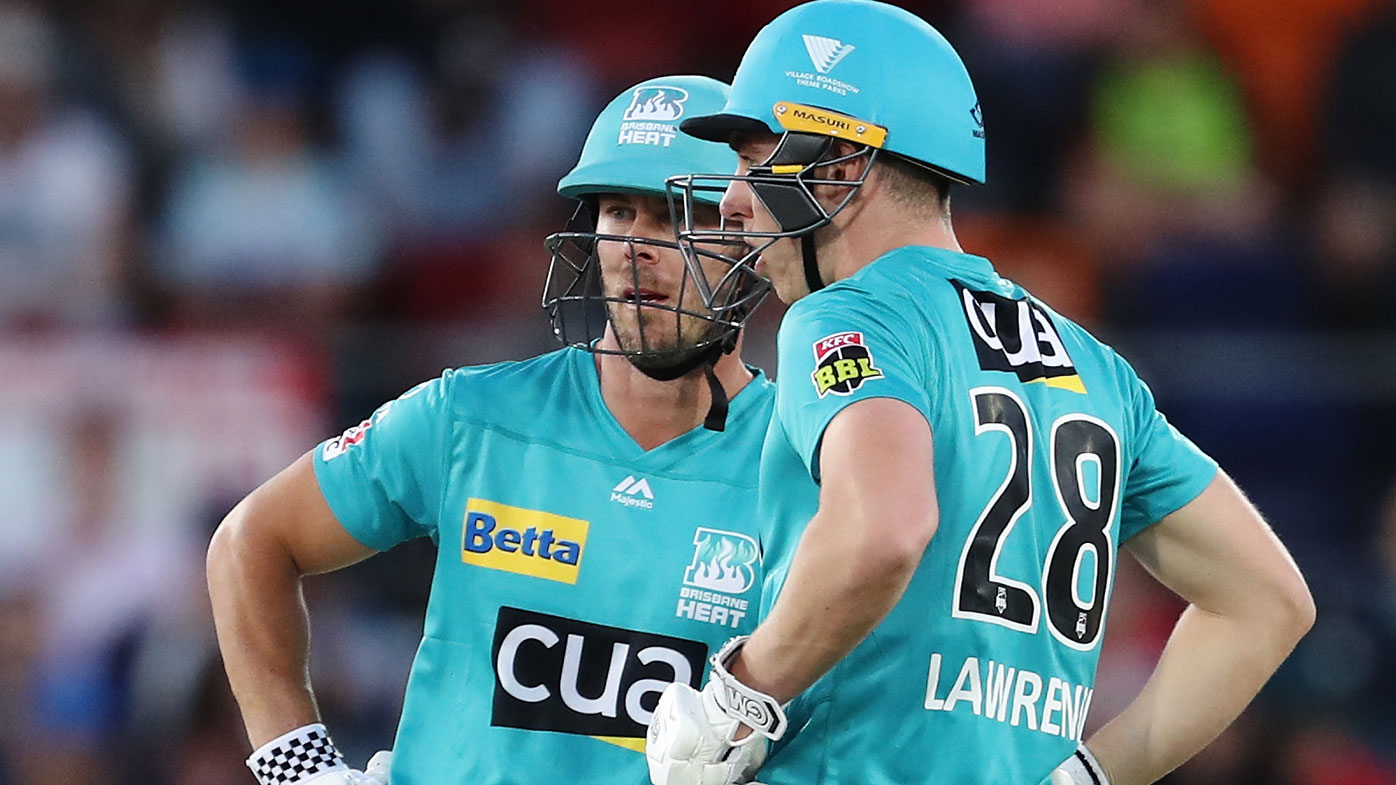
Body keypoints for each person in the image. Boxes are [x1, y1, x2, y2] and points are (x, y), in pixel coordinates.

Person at [644, 3, 1316, 785]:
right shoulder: (1093, 364)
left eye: (754, 161)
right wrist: (1091, 776)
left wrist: (737, 698)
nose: (731, 201)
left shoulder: (846, 316)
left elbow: (885, 528)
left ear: (836, 169)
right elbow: (1268, 602)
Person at [207, 74, 774, 785]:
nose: (637, 247)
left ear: (754, 237)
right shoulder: (469, 417)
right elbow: (251, 541)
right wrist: (301, 769)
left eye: (673, 216)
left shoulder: (802, 465)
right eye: (619, 212)